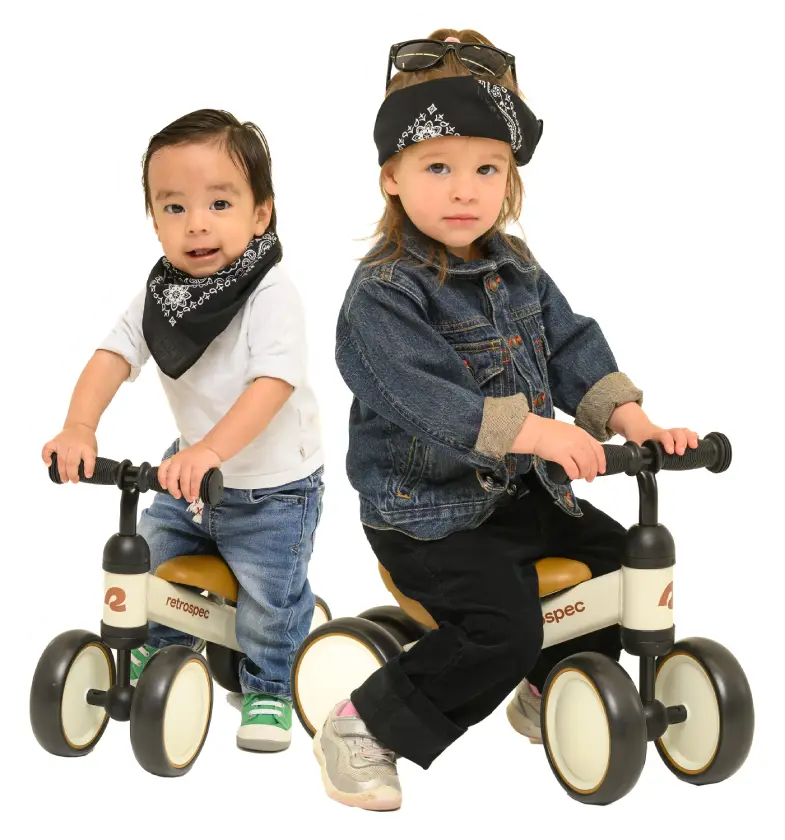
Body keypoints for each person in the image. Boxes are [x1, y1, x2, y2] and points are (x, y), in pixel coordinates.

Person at [313, 29, 699, 810]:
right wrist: (536, 432)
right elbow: (426, 399)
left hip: (521, 498)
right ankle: (364, 726)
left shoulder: (515, 266)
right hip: (430, 518)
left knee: (620, 566)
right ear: (391, 176)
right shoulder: (383, 295)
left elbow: (571, 346)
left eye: (486, 168)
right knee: (500, 627)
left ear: (511, 178)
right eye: (438, 167)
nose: (464, 191)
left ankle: (546, 688)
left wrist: (635, 422)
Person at [41, 108, 325, 753]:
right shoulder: (162, 296)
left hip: (274, 488)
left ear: (261, 214)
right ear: (153, 219)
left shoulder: (269, 294)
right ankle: (165, 645)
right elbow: (112, 356)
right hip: (190, 475)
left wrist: (212, 449)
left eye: (220, 203)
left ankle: (271, 686)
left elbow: (272, 385)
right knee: (154, 562)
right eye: (174, 207)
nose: (196, 223)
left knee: (269, 602)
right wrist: (79, 426)